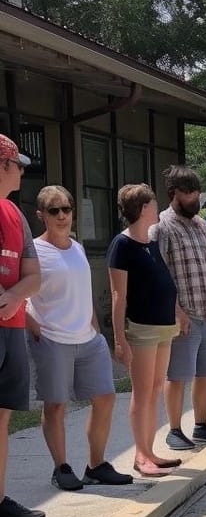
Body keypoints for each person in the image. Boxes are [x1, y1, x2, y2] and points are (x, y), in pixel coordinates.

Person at [25, 186, 133, 491]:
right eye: (53, 210)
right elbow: (18, 295)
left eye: (67, 209)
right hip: (52, 339)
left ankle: (96, 465)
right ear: (41, 215)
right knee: (56, 405)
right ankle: (61, 467)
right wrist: (34, 327)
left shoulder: (77, 247)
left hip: (87, 338)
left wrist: (96, 328)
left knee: (105, 397)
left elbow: (83, 290)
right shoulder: (33, 251)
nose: (62, 216)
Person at [156, 165, 206, 452]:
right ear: (174, 193)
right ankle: (174, 429)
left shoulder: (201, 225)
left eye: (196, 192)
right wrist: (176, 311)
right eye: (189, 193)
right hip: (183, 314)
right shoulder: (161, 227)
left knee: (205, 374)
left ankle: (201, 426)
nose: (194, 198)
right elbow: (161, 274)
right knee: (177, 376)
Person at [108, 184, 182, 478]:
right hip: (141, 329)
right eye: (153, 204)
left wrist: (176, 311)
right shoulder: (121, 245)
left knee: (155, 389)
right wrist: (119, 340)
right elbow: (118, 296)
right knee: (142, 393)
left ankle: (150, 451)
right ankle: (140, 456)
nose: (157, 209)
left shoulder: (150, 242)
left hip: (164, 327)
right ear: (142, 209)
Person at [0, 134, 44, 517]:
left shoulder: (15, 215)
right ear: (3, 165)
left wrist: (14, 297)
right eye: (18, 164)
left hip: (11, 325)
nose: (22, 171)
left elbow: (33, 275)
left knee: (2, 415)